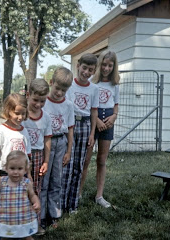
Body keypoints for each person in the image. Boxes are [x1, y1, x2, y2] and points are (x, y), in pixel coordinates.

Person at [80, 50, 120, 208]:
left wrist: (114, 116)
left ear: (114, 66)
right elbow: (89, 105)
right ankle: (79, 193)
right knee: (86, 160)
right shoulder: (92, 81)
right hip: (93, 119)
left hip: (108, 120)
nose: (106, 68)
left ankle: (99, 196)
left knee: (102, 160)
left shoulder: (115, 83)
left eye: (110, 65)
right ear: (99, 65)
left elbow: (116, 104)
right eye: (104, 64)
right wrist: (96, 120)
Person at [62, 53, 99, 214]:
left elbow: (94, 111)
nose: (86, 72)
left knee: (79, 165)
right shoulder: (70, 85)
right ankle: (62, 202)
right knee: (66, 164)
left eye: (90, 70)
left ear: (94, 71)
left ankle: (73, 203)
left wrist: (92, 134)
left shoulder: (94, 88)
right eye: (84, 68)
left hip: (85, 125)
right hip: (70, 124)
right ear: (78, 65)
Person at [40, 67, 74, 229]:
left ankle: (53, 215)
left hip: (61, 143)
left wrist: (69, 151)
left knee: (56, 180)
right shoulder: (43, 102)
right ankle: (41, 216)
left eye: (64, 90)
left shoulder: (68, 105)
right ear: (51, 83)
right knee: (43, 180)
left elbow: (70, 128)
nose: (60, 93)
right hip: (45, 143)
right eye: (57, 88)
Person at [0, 150, 40, 240]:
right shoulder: (3, 181)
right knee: (4, 236)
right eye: (12, 168)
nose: (15, 172)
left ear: (25, 169)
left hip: (23, 217)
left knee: (27, 236)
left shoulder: (26, 183)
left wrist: (36, 202)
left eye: (19, 169)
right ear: (6, 168)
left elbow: (32, 195)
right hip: (7, 218)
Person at [22, 78, 52, 235]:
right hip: (22, 157)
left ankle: (36, 223)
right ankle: (19, 223)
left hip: (38, 155)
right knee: (22, 189)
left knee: (36, 190)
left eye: (42, 101)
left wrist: (46, 161)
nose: (39, 104)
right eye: (35, 100)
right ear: (28, 95)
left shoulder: (46, 117)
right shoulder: (22, 115)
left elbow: (47, 139)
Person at [0, 93, 32, 186]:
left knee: (21, 199)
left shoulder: (24, 131)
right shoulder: (1, 131)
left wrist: (29, 174)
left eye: (23, 113)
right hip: (5, 173)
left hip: (22, 173)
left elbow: (27, 156)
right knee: (6, 199)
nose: (20, 117)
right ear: (8, 111)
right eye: (17, 113)